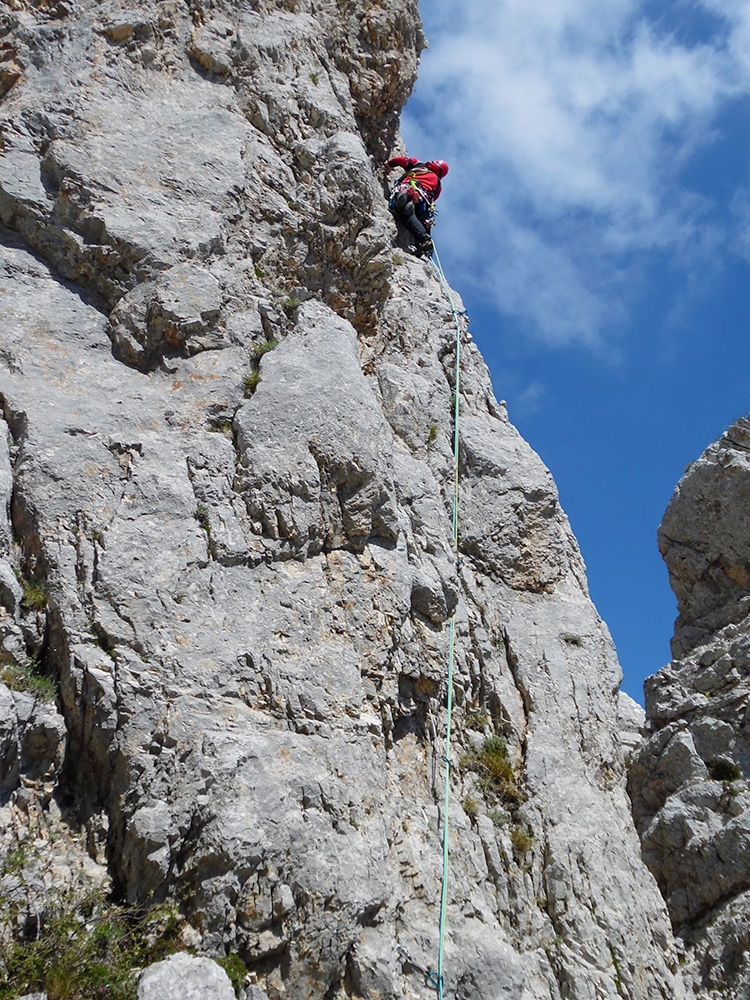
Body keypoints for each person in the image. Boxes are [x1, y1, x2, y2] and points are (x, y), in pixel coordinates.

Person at [385, 156, 449, 258]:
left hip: (410, 187)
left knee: (405, 210)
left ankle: (407, 195)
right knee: (411, 218)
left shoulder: (419, 165)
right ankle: (424, 241)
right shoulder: (438, 185)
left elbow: (402, 160)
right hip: (423, 202)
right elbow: (434, 198)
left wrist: (390, 164)